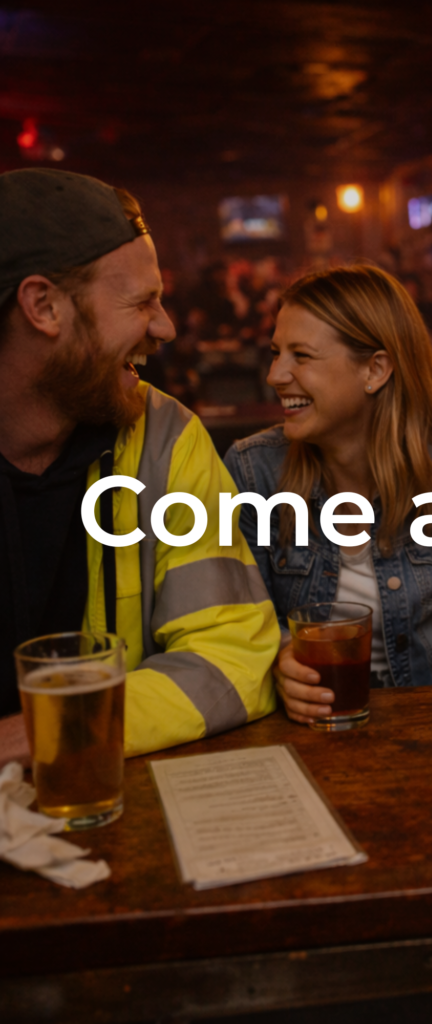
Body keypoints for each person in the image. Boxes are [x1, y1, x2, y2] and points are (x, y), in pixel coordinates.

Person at [0, 169, 278, 762]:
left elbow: (233, 659)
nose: (166, 327)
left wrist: (47, 728)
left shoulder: (166, 436)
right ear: (42, 306)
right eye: (142, 302)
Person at [224, 265, 432, 725]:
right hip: (306, 728)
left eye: (301, 356)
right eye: (275, 353)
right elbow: (248, 629)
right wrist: (279, 662)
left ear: (375, 369)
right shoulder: (254, 472)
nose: (275, 374)